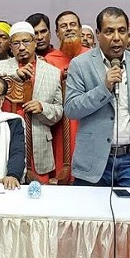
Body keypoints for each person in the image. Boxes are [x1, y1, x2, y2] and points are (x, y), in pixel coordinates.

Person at [64, 6, 130, 187]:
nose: (117, 38)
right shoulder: (80, 64)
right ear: (98, 34)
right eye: (109, 32)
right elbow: (71, 109)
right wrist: (104, 88)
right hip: (93, 162)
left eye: (122, 31)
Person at [0, 21, 63, 183]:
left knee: (37, 196)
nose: (21, 47)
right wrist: (14, 76)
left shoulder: (53, 72)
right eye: (16, 43)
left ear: (34, 42)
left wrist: (43, 108)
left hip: (38, 148)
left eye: (26, 42)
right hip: (5, 143)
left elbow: (59, 110)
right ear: (10, 47)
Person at [43, 11, 91, 182]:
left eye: (73, 25)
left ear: (80, 29)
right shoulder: (49, 60)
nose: (69, 29)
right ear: (57, 33)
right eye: (64, 26)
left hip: (87, 121)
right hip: (60, 124)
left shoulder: (92, 57)